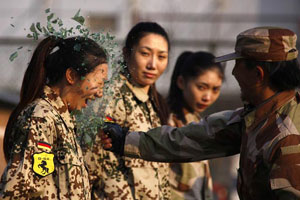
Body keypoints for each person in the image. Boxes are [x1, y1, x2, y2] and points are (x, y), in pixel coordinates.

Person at [101, 26, 300, 200]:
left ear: (258, 74)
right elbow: (191, 138)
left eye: (238, 64)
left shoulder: (287, 138)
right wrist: (125, 140)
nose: (233, 73)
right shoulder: (255, 118)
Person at [0, 36, 108, 199]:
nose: (100, 93)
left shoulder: (62, 119)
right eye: (97, 84)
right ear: (71, 76)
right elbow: (16, 192)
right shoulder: (42, 117)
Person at [84, 22, 170, 199]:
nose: (153, 64)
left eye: (161, 56)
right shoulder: (109, 97)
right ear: (126, 53)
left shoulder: (154, 103)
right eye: (145, 53)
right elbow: (87, 163)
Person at [167, 51, 224, 200]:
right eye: (201, 87)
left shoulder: (196, 121)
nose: (207, 97)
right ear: (181, 82)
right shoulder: (168, 122)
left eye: (215, 89)